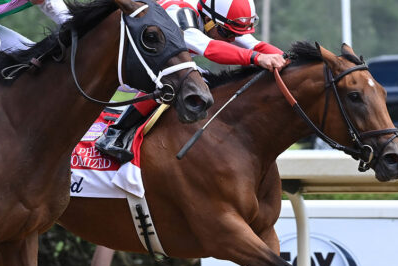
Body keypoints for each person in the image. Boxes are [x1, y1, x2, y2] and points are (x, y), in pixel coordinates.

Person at [95, 0, 286, 162]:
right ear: (208, 20)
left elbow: (256, 45)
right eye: (227, 33)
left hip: (152, 58)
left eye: (236, 34)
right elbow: (209, 48)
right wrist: (256, 58)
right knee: (179, 80)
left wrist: (289, 58)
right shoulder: (181, 13)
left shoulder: (216, 16)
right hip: (122, 63)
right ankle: (116, 133)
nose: (232, 39)